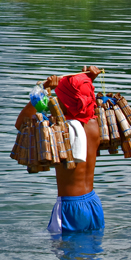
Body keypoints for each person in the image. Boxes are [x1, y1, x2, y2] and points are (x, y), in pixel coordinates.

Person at [16, 65, 105, 234]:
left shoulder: (61, 129)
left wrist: (45, 91)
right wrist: (86, 82)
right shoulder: (95, 124)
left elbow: (21, 123)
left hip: (71, 207)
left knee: (67, 256)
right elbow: (81, 100)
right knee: (89, 254)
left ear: (65, 101)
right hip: (93, 204)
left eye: (59, 97)